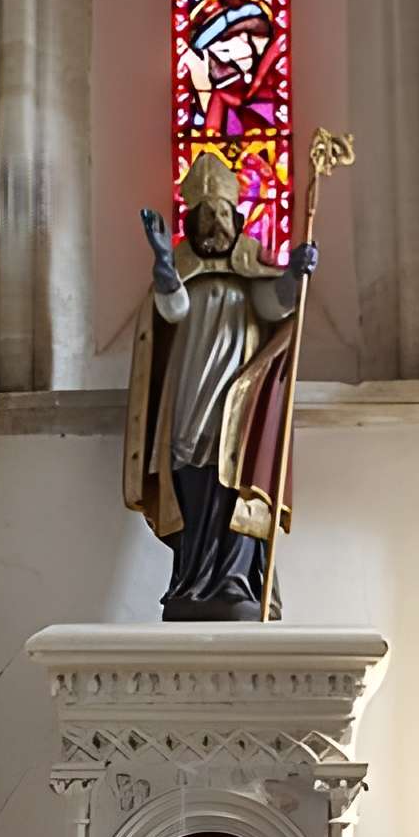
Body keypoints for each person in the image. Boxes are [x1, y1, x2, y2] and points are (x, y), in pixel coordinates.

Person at [123, 152, 317, 621]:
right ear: (190, 221)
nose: (215, 223)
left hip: (239, 402)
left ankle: (236, 579)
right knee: (192, 479)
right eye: (206, 214)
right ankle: (192, 578)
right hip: (190, 398)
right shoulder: (182, 272)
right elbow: (171, 310)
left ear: (239, 219)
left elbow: (275, 308)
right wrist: (165, 264)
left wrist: (294, 272)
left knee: (235, 480)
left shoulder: (252, 270)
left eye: (224, 213)